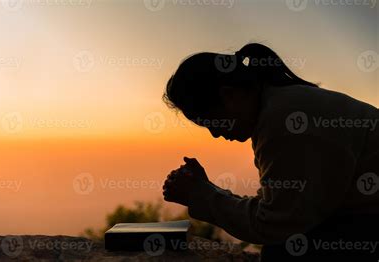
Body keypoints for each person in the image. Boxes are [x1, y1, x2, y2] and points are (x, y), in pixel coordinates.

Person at [162, 43, 379, 260]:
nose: (215, 133)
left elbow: (275, 224)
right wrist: (205, 190)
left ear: (229, 95)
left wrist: (201, 195)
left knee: (284, 250)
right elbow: (281, 208)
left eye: (209, 121)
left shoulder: (284, 120)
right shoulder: (281, 105)